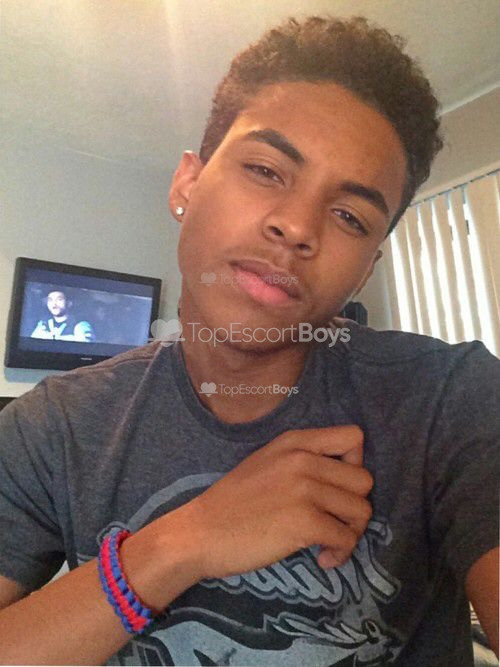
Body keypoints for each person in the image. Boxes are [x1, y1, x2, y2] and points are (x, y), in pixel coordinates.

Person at [0, 14, 498, 666]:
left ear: (365, 270)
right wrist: (181, 543)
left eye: (349, 216)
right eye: (266, 169)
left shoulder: (447, 401)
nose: (298, 226)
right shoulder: (54, 425)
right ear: (186, 184)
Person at [30, 288, 95, 342]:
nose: (54, 304)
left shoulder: (81, 325)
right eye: (50, 300)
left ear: (69, 303)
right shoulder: (43, 323)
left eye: (59, 299)